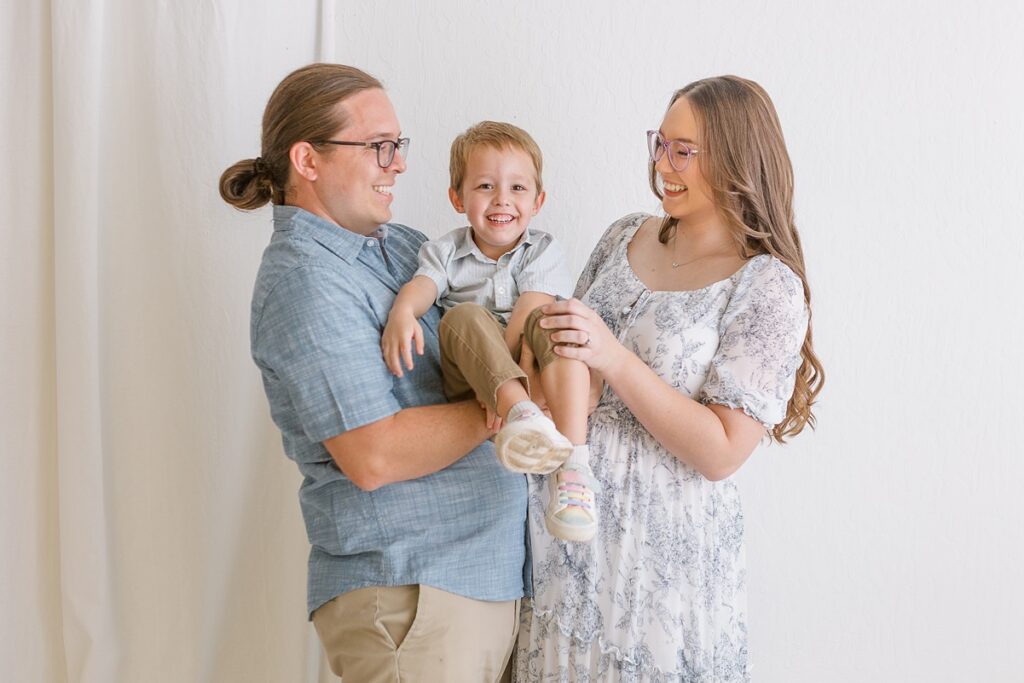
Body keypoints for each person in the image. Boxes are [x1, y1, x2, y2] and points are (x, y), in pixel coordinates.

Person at [219, 63, 527, 682]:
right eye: (379, 146)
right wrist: (516, 406)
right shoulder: (306, 281)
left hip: (472, 586)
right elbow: (373, 454)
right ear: (307, 160)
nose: (400, 164)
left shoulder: (402, 247)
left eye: (398, 145)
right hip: (413, 596)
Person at [514, 75, 825, 681]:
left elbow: (722, 452)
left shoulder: (767, 285)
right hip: (564, 537)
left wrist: (615, 360)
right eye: (660, 144)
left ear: (736, 160)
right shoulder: (623, 235)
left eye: (684, 151)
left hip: (661, 565)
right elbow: (565, 359)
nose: (662, 164)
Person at [381, 121, 599, 542]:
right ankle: (522, 415)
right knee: (463, 316)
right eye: (485, 186)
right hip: (471, 377)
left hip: (524, 364)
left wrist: (509, 382)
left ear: (538, 201)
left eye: (517, 188)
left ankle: (574, 467)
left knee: (556, 321)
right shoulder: (445, 252)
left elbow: (529, 311)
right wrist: (403, 312)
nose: (502, 199)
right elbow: (423, 286)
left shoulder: (543, 249)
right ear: (457, 197)